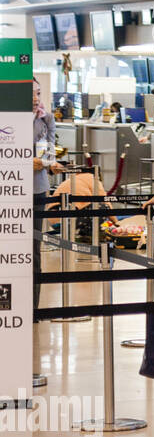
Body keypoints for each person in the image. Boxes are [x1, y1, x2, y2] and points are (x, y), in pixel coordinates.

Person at [32, 81, 63, 317]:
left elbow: (49, 153)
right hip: (10, 187)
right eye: (30, 93)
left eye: (38, 93)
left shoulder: (46, 119)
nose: (35, 98)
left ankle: (32, 306)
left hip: (38, 188)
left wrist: (47, 163)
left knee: (33, 248)